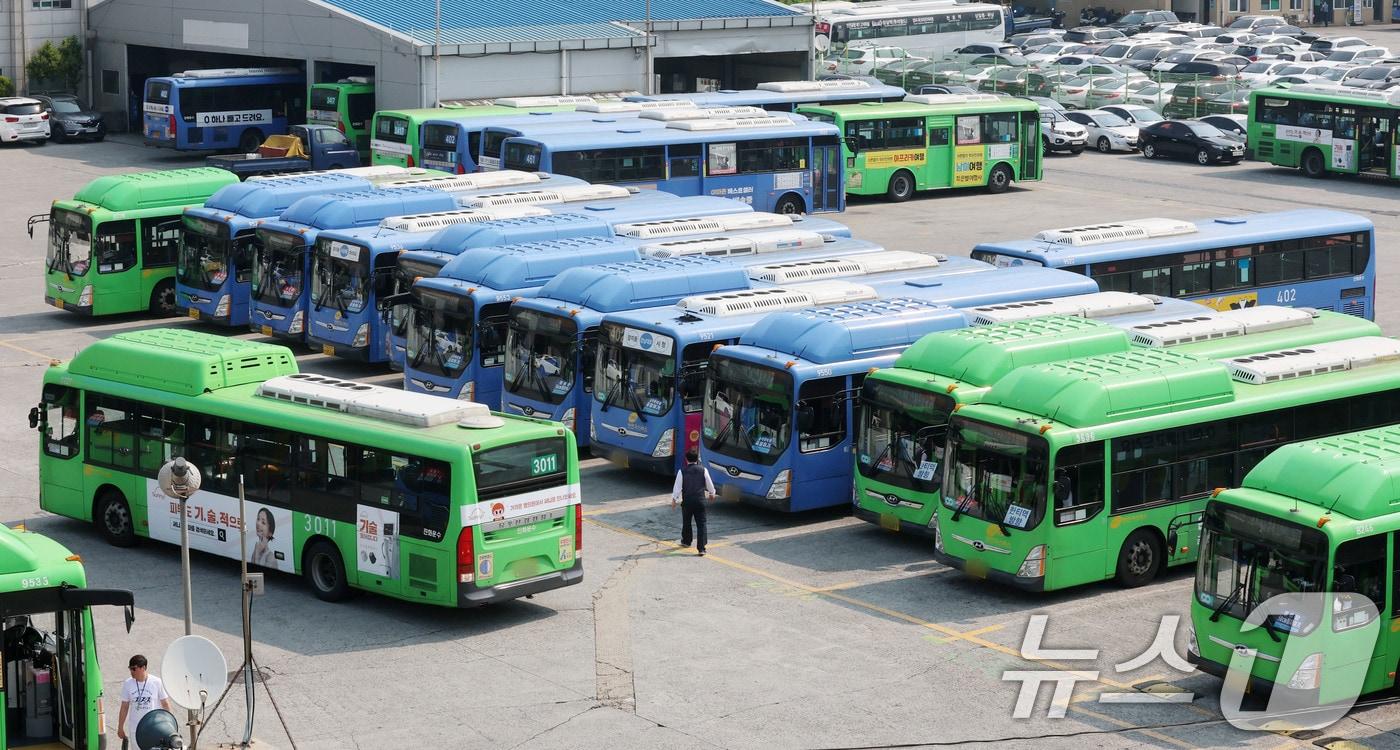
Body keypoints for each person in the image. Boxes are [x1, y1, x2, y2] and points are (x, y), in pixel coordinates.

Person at [118, 654, 173, 748]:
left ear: (143, 667)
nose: (131, 671)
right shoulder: (128, 683)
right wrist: (120, 727)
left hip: (154, 728)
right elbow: (124, 706)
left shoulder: (156, 682)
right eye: (130, 668)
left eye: (134, 669)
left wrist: (170, 726)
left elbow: (165, 703)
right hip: (135, 729)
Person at [671, 449, 715, 556]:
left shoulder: (682, 471)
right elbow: (709, 484)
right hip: (700, 501)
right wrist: (712, 493)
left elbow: (677, 487)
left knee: (687, 522)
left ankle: (686, 541)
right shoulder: (703, 470)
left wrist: (674, 499)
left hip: (688, 501)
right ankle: (701, 548)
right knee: (701, 524)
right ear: (697, 459)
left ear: (686, 459)